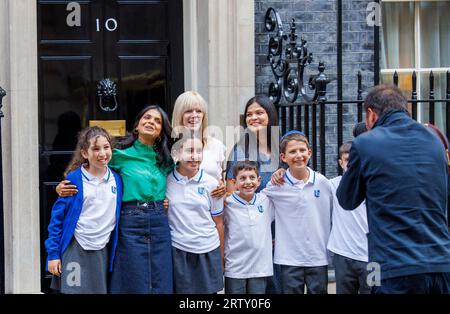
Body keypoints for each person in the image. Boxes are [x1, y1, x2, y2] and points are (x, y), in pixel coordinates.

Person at [337, 84, 450, 294]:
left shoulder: (365, 143)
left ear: (371, 115)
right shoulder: (435, 141)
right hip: (440, 263)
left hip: (389, 265)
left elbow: (346, 199)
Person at [56, 105, 175, 294]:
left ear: (161, 132)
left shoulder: (167, 159)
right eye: (147, 118)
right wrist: (64, 183)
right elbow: (89, 165)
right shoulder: (119, 154)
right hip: (131, 220)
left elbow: (184, 177)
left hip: (159, 220)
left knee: (160, 277)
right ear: (137, 125)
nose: (151, 122)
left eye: (157, 121)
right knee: (132, 277)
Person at [45, 126, 122, 294]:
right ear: (85, 153)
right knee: (74, 291)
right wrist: (53, 254)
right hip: (76, 248)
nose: (102, 153)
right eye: (95, 149)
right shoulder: (74, 179)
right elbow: (57, 220)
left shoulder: (117, 179)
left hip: (103, 249)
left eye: (106, 147)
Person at [263, 130, 333, 294]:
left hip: (318, 256)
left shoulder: (323, 183)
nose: (298, 155)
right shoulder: (276, 186)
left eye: (302, 150)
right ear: (283, 157)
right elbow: (257, 209)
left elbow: (336, 215)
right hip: (289, 258)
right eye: (292, 152)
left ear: (309, 153)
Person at [225, 95, 282, 294]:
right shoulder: (240, 151)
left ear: (270, 116)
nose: (253, 118)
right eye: (249, 114)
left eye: (259, 113)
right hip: (253, 234)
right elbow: (232, 200)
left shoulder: (280, 148)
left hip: (281, 229)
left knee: (278, 286)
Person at [166, 135, 225, 293]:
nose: (195, 156)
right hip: (179, 249)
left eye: (199, 151)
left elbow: (218, 222)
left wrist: (221, 256)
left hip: (208, 248)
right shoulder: (166, 181)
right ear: (177, 153)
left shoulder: (212, 184)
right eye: (189, 151)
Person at [224, 160, 274, 294]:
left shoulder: (266, 200)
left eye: (252, 177)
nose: (248, 182)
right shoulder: (227, 203)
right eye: (242, 178)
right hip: (235, 267)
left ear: (258, 181)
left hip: (260, 268)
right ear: (234, 183)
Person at [327, 141, 370, 294]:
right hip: (343, 255)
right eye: (346, 161)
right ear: (340, 163)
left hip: (374, 257)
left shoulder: (375, 184)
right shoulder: (332, 185)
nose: (350, 165)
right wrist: (281, 171)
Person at [171, 91, 227, 194]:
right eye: (188, 111)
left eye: (199, 111)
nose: (194, 115)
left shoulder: (217, 145)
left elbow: (220, 181)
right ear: (179, 114)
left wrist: (222, 189)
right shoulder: (169, 147)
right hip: (178, 207)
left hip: (209, 208)